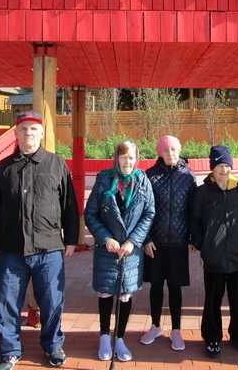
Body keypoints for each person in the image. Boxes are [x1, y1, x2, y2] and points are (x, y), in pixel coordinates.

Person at [0, 111, 79, 369]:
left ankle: (53, 345)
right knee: (6, 302)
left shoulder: (57, 164)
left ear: (42, 133)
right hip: (10, 250)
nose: (28, 134)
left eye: (34, 130)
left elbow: (69, 205)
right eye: (23, 129)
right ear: (16, 133)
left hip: (48, 248)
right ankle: (10, 350)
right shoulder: (2, 170)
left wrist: (71, 238)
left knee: (52, 301)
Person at [85, 140, 155, 362]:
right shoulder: (104, 179)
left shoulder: (143, 181)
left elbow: (149, 213)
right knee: (106, 292)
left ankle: (120, 338)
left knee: (125, 294)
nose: (128, 161)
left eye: (131, 157)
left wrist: (134, 241)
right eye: (123, 157)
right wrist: (105, 237)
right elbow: (90, 214)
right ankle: (105, 335)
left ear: (137, 158)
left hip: (130, 251)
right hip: (108, 249)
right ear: (117, 158)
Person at [190, 145, 238, 358]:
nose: (223, 170)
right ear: (212, 168)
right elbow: (195, 221)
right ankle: (212, 337)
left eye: (227, 165)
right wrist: (201, 244)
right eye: (219, 165)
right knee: (213, 299)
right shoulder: (202, 193)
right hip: (214, 258)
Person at [140, 135, 197, 351]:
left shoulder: (188, 177)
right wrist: (145, 239)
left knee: (175, 288)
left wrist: (193, 238)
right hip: (155, 243)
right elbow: (142, 210)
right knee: (155, 286)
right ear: (160, 152)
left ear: (180, 150)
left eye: (174, 149)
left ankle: (176, 330)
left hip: (179, 243)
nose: (171, 153)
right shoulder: (150, 176)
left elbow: (194, 211)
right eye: (166, 150)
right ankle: (155, 326)